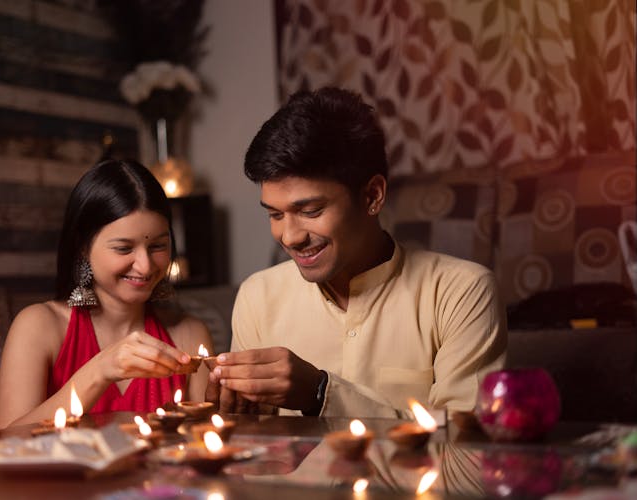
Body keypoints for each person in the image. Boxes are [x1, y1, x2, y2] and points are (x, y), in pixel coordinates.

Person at [206, 87, 506, 418]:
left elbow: (465, 444)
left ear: (372, 196)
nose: (289, 237)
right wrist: (233, 416)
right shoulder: (257, 297)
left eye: (310, 210)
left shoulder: (461, 293)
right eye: (275, 215)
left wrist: (319, 393)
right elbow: (254, 449)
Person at [0, 159, 213, 429]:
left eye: (157, 246)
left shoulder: (189, 334)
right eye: (123, 248)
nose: (145, 266)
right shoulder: (39, 326)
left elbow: (205, 442)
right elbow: (5, 442)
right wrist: (99, 372)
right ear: (83, 247)